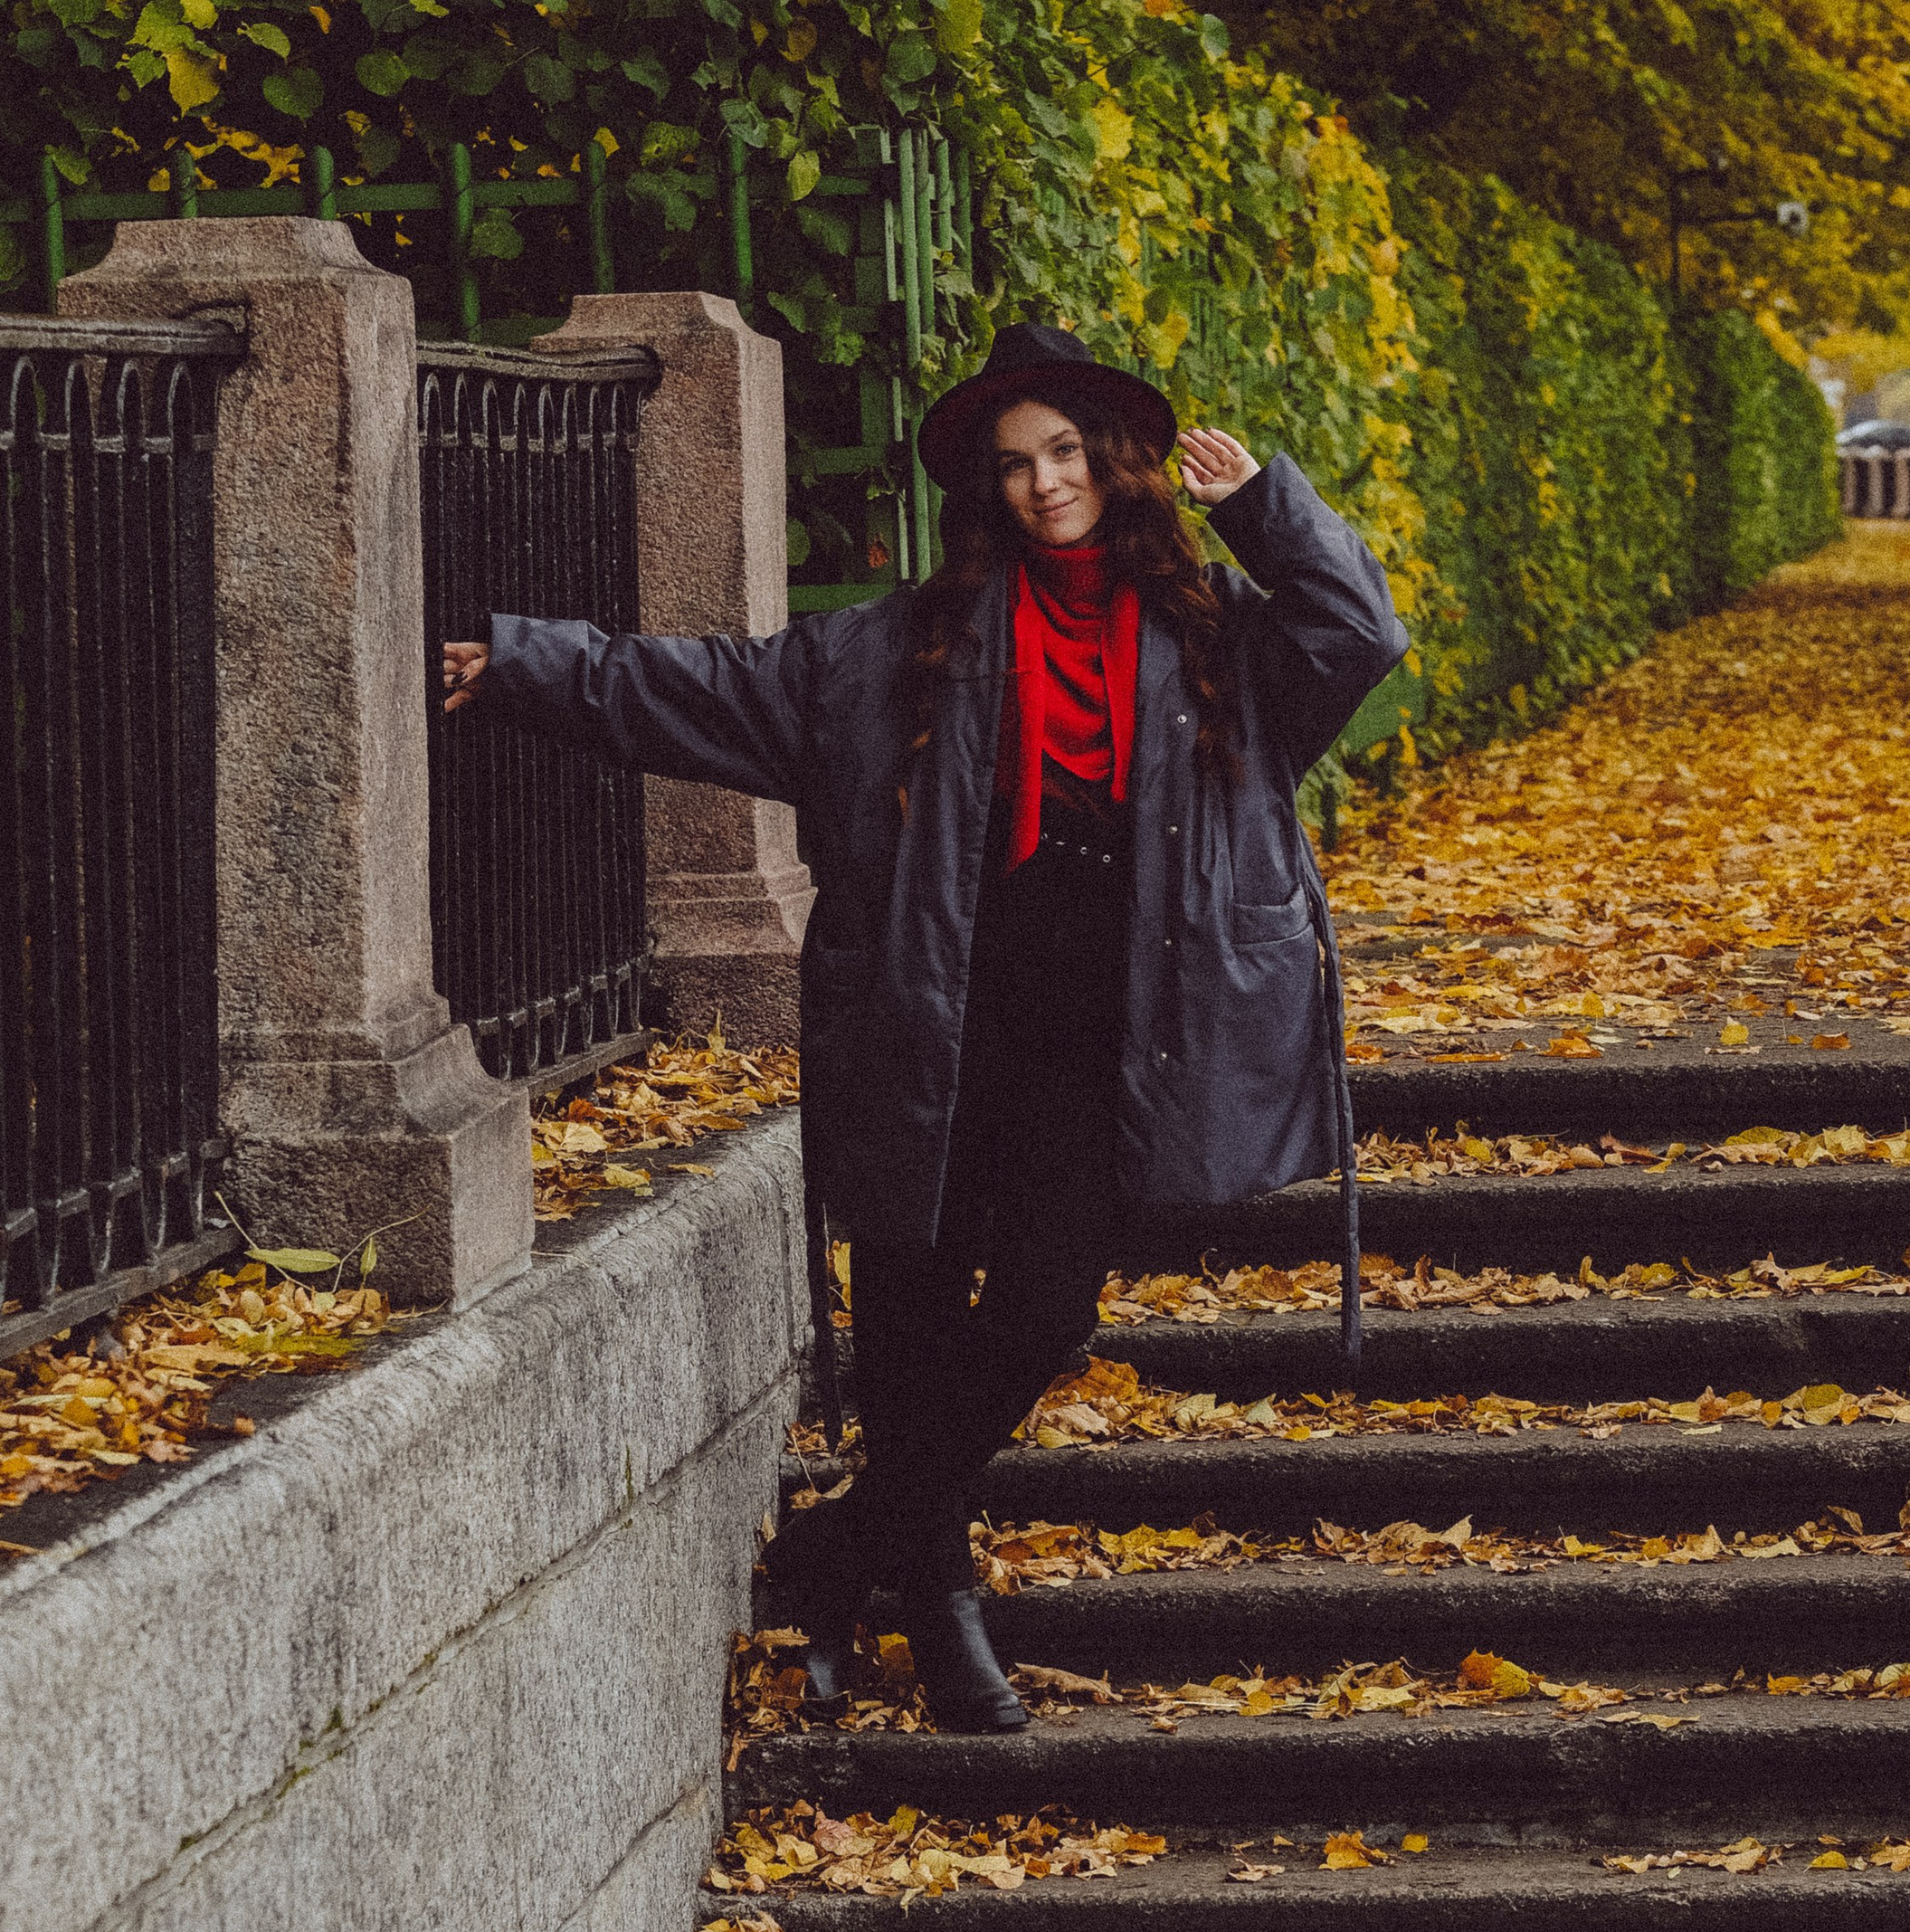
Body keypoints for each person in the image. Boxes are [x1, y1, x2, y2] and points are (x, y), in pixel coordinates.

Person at [444, 320, 1405, 1732]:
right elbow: (710, 689)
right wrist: (530, 663)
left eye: (1066, 452)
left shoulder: (1218, 638)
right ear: (987, 490)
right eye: (1016, 464)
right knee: (908, 1312)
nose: (1045, 483)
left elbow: (1360, 632)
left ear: (1116, 461)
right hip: (931, 1019)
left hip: (1099, 1032)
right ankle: (940, 1609)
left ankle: (843, 1550)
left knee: (1044, 1309)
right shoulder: (899, 646)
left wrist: (1265, 509)